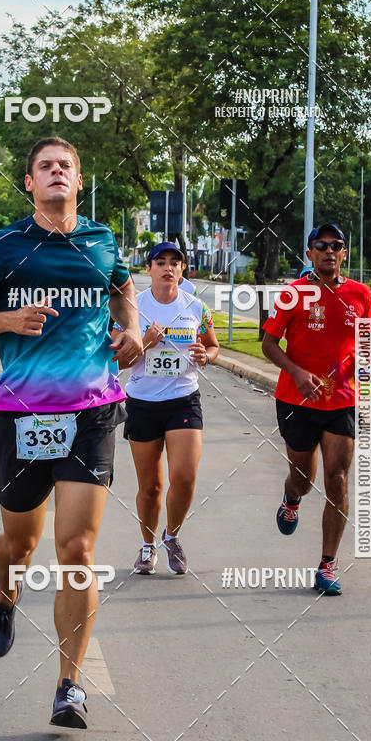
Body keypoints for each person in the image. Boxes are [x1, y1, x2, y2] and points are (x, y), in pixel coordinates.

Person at [0, 136, 142, 729]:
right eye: (44, 166)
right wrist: (7, 318)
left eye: (66, 166)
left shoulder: (102, 239)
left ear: (78, 181)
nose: (56, 172)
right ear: (29, 182)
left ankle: (69, 686)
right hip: (22, 413)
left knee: (77, 551)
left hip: (93, 411)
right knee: (19, 546)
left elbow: (122, 291)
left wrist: (131, 328)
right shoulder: (5, 245)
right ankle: (7, 594)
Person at [261, 224, 371, 596]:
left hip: (341, 401)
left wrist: (366, 368)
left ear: (344, 253)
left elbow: (367, 342)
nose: (329, 251)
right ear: (309, 253)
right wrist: (297, 371)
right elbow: (268, 343)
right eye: (321, 246)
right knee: (303, 480)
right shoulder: (294, 294)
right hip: (295, 400)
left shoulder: (361, 294)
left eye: (336, 246)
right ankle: (291, 498)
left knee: (337, 479)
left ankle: (327, 565)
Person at [112, 241, 219, 576]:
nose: (168, 268)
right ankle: (147, 545)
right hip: (143, 402)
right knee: (151, 486)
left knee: (184, 477)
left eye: (176, 262)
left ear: (183, 269)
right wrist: (145, 342)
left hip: (183, 399)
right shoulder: (132, 308)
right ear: (149, 269)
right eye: (161, 262)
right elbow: (116, 361)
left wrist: (207, 357)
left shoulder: (197, 308)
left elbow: (212, 346)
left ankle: (171, 536)